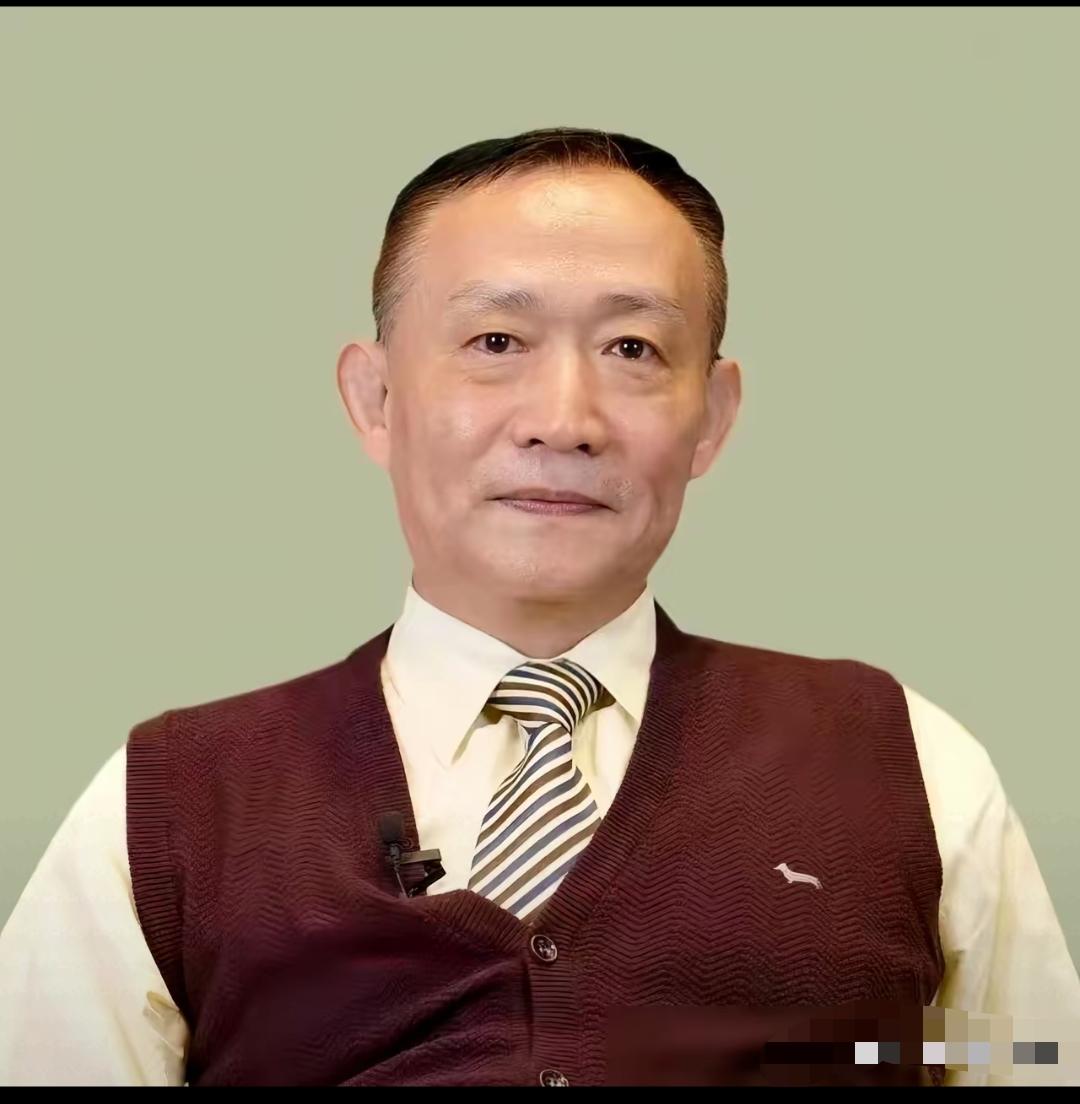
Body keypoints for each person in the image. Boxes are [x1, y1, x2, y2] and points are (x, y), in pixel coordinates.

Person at [1, 126, 1077, 1087]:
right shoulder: (171, 804)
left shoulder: (906, 765)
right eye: (496, 344)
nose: (564, 420)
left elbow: (1029, 1060)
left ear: (712, 415)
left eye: (633, 350)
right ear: (375, 398)